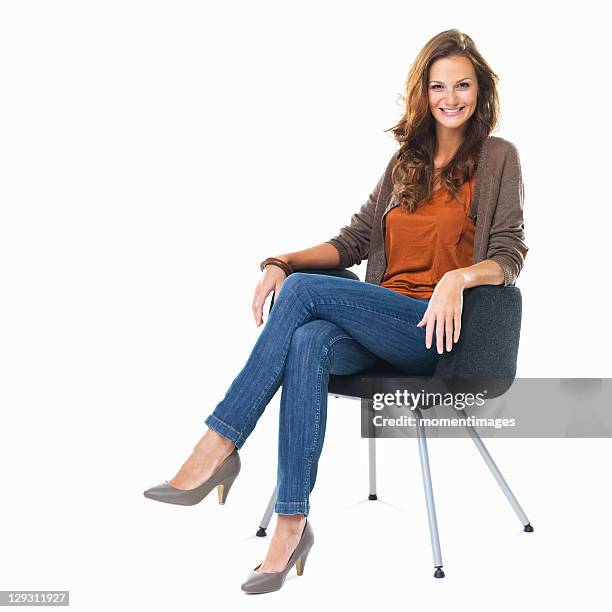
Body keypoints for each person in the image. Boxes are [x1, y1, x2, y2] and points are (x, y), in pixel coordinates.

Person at [143, 28, 528, 594]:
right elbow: (354, 241)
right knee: (307, 339)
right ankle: (292, 524)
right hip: (380, 318)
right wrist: (281, 258)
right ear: (423, 93)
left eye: (463, 85)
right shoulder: (407, 162)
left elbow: (510, 251)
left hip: (435, 333)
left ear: (480, 90)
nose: (451, 97)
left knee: (302, 293)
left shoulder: (498, 158)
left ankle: (219, 444)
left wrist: (458, 278)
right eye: (439, 85)